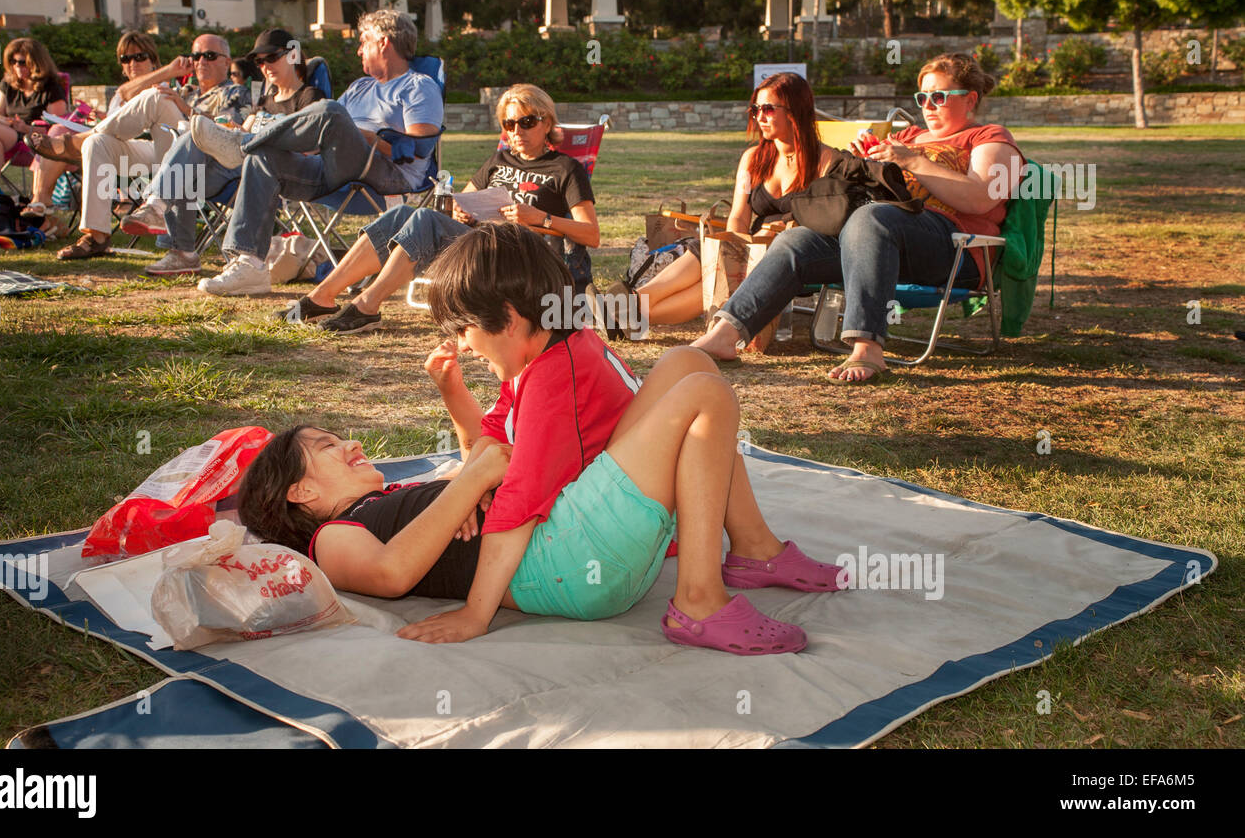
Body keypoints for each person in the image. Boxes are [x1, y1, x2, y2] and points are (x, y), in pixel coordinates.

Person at [397, 224, 844, 656]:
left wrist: (477, 613)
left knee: (692, 365)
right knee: (699, 382)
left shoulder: (554, 373)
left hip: (579, 555)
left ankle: (741, 559)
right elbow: (494, 437)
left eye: (463, 330)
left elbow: (519, 499)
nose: (463, 346)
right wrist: (467, 488)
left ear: (510, 319)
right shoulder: (547, 351)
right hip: (581, 554)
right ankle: (703, 593)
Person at [693, 52, 1023, 383]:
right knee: (796, 240)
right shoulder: (908, 137)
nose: (928, 106)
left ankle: (867, 349)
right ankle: (726, 333)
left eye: (939, 97)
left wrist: (913, 162)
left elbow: (981, 199)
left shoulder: (991, 138)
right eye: (923, 97)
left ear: (970, 100)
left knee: (872, 218)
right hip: (877, 240)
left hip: (954, 249)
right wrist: (864, 163)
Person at [276, 83, 599, 335]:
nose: (517, 132)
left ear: (547, 122)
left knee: (425, 220)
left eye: (527, 122)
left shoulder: (565, 168)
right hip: (482, 247)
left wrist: (539, 217)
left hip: (526, 259)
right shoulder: (499, 160)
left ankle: (367, 304)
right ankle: (321, 298)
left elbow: (592, 234)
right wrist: (462, 212)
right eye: (509, 124)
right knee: (400, 216)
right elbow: (463, 200)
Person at [184, 9, 442, 297]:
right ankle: (250, 265)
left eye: (363, 41)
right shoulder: (360, 87)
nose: (358, 50)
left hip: (386, 177)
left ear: (383, 42)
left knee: (330, 111)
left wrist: (367, 138)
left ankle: (242, 144)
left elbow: (418, 150)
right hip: (333, 169)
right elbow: (322, 126)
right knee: (264, 159)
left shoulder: (419, 86)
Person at [610, 73, 834, 335]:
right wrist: (735, 246)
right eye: (755, 109)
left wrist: (773, 237)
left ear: (796, 110)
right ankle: (634, 304)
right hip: (751, 245)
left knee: (725, 275)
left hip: (789, 254)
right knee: (709, 254)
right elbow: (739, 216)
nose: (759, 117)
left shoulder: (824, 160)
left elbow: (825, 220)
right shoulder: (754, 158)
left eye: (768, 109)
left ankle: (627, 310)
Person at [33, 33, 250, 260]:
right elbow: (125, 93)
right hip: (165, 155)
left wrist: (184, 108)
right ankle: (96, 236)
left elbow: (226, 133)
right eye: (196, 56)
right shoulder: (186, 91)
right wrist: (169, 71)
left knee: (160, 97)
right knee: (98, 144)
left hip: (201, 159)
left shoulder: (236, 92)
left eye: (210, 55)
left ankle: (77, 141)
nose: (201, 61)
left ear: (227, 61)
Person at [127, 29, 326, 276]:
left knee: (192, 142)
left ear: (293, 56)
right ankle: (182, 253)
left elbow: (312, 146)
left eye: (272, 58)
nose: (265, 66)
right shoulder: (266, 99)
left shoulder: (310, 97)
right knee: (189, 158)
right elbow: (243, 131)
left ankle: (159, 211)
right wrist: (230, 129)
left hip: (272, 169)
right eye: (259, 62)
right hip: (239, 162)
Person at [238, 426, 512, 601]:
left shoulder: (397, 493)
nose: (354, 443)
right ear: (302, 492)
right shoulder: (332, 535)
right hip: (536, 543)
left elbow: (473, 460)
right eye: (328, 446)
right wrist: (474, 483)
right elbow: (390, 574)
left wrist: (450, 388)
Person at [22, 32, 163, 227]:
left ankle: (44, 207)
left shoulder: (160, 90)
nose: (133, 63)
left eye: (139, 57)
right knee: (57, 130)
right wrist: (101, 118)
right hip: (106, 147)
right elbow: (117, 123)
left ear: (153, 60)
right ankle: (41, 201)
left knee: (75, 138)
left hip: (141, 153)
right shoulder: (120, 96)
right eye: (126, 59)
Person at [0, 38, 67, 205]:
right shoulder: (9, 84)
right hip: (8, 136)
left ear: (36, 63)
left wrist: (26, 128)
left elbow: (58, 130)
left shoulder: (52, 88)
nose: (17, 66)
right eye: (13, 62)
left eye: (22, 62)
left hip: (35, 140)